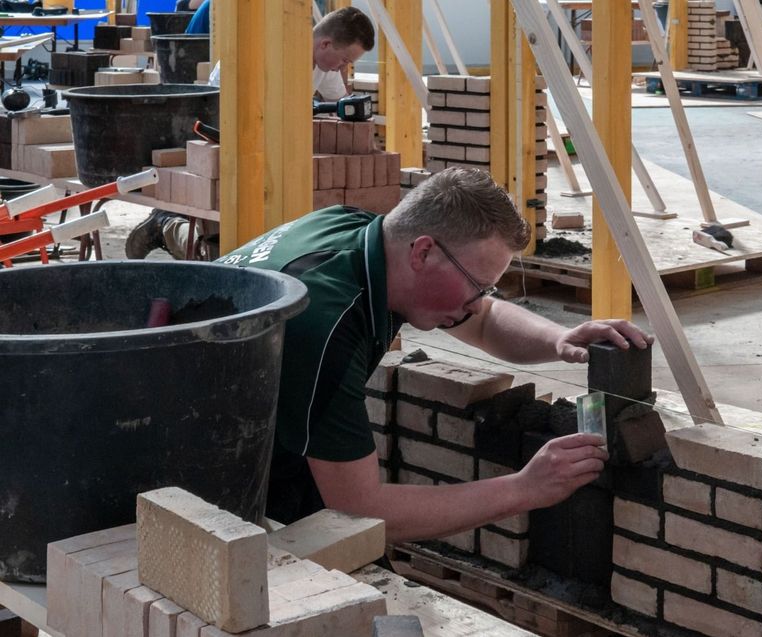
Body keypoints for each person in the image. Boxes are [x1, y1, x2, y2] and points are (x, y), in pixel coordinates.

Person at [218, 167, 655, 541]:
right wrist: (526, 488)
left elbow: (481, 320)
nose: (476, 300)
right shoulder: (323, 326)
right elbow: (358, 510)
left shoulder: (358, 233)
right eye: (476, 283)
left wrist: (559, 340)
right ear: (424, 251)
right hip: (194, 467)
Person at [125, 6, 376, 261]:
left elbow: (343, 105)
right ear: (325, 44)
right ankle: (166, 226)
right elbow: (240, 112)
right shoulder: (273, 49)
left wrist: (365, 142)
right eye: (345, 60)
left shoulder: (324, 67)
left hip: (267, 140)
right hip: (230, 129)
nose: (343, 67)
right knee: (236, 226)